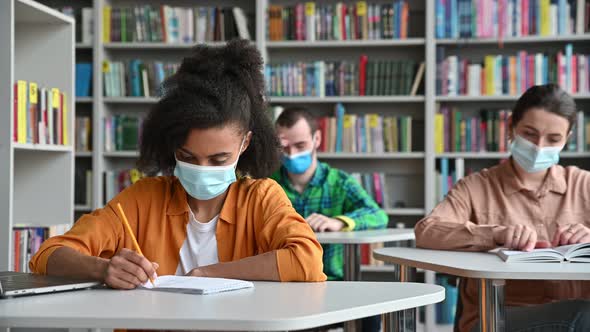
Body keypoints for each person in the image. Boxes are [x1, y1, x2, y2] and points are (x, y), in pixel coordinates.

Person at [29, 40, 326, 286]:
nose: (202, 169)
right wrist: (103, 269)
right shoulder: (142, 199)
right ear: (171, 146)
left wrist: (206, 274)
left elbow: (307, 260)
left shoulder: (262, 198)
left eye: (219, 158)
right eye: (187, 156)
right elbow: (47, 255)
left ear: (245, 144)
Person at [415, 84, 590, 332]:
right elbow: (426, 231)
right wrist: (495, 234)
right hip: (495, 319)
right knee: (583, 316)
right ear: (511, 128)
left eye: (553, 139)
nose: (540, 147)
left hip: (573, 310)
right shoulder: (476, 185)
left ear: (567, 139)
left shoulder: (583, 184)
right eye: (529, 134)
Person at [270, 107, 388, 331]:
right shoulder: (268, 186)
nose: (292, 154)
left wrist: (340, 221)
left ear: (317, 139)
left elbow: (378, 214)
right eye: (285, 147)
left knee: (369, 314)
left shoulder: (339, 182)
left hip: (332, 284)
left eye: (300, 145)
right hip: (283, 285)